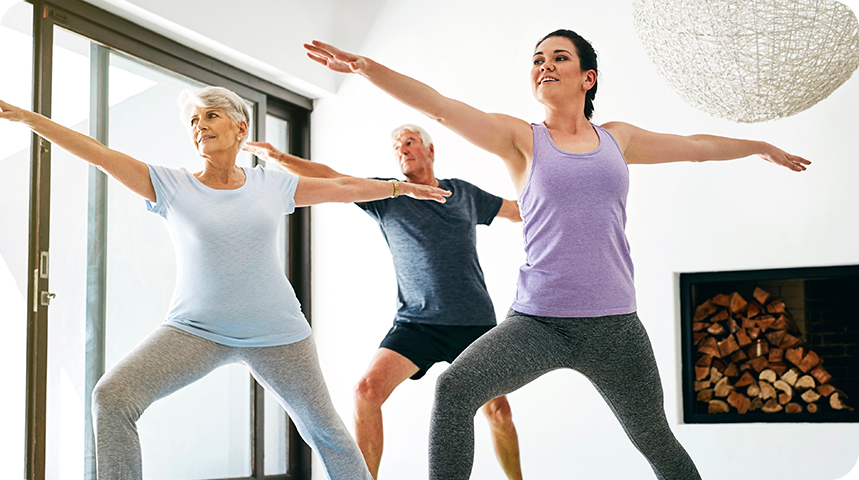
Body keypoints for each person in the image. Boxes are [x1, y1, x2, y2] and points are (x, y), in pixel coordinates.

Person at [302, 29, 810, 480]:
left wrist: (756, 144)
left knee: (655, 439)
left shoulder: (618, 138)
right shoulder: (520, 139)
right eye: (538, 59)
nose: (544, 65)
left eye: (559, 57)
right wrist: (367, 68)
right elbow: (440, 106)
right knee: (455, 391)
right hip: (539, 323)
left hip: (615, 326)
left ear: (587, 77)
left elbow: (695, 145)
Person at [0, 86, 450, 480]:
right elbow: (96, 151)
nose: (200, 126)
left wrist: (400, 188)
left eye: (210, 115)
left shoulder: (270, 186)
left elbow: (342, 186)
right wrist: (26, 117)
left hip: (278, 333)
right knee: (112, 397)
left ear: (239, 127)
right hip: (195, 330)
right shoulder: (170, 185)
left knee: (328, 433)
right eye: (193, 121)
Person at [243, 123, 524, 480]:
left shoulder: (463, 195)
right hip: (416, 325)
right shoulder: (387, 196)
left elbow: (517, 210)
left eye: (409, 142)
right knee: (366, 392)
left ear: (430, 151)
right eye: (396, 146)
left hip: (473, 323)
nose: (402, 150)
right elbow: (335, 179)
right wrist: (279, 157)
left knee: (498, 410)